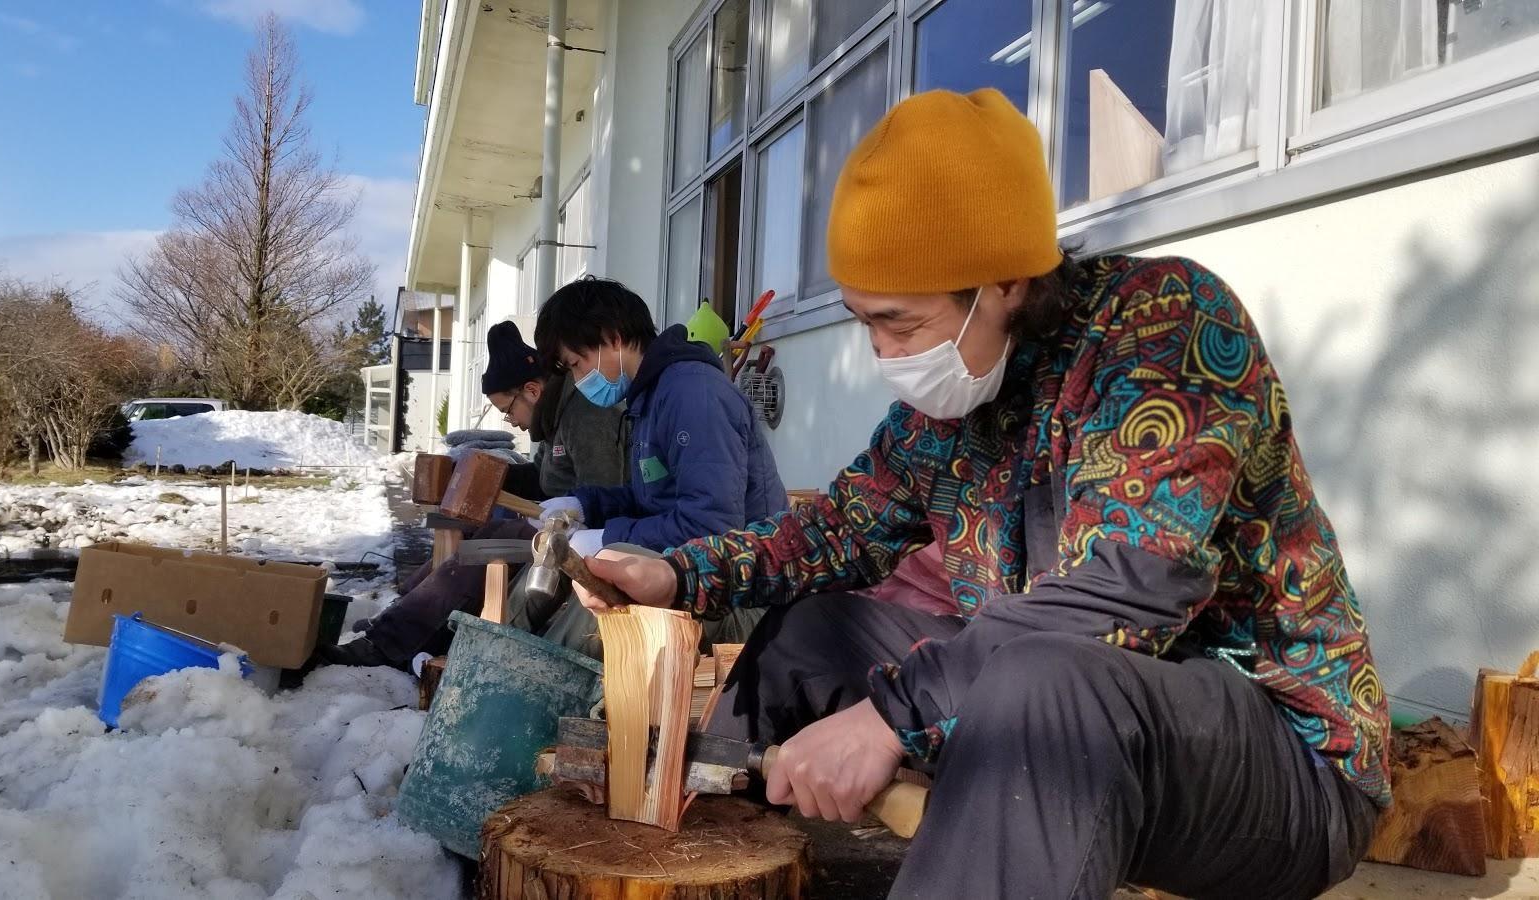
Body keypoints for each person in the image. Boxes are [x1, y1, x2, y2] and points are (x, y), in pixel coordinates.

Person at [573, 89, 1386, 899]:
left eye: (900, 323)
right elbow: (826, 534)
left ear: (1004, 282)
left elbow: (1126, 595)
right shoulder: (950, 405)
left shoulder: (1167, 328)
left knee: (1046, 685)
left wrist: (888, 716)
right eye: (864, 323)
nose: (883, 353)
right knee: (813, 634)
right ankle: (696, 867)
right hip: (1063, 714)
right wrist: (680, 574)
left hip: (1286, 765)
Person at [319, 321, 624, 668]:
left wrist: (554, 514)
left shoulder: (585, 417)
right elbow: (542, 479)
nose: (510, 422)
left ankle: (389, 642)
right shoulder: (554, 420)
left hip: (587, 538)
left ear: (532, 391)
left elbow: (606, 494)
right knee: (479, 533)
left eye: (508, 410)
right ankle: (400, 617)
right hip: (555, 523)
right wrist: (484, 476)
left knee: (494, 539)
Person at [523, 277, 786, 651]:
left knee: (615, 567)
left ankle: (538, 680)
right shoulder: (651, 397)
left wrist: (605, 539)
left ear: (612, 337)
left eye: (577, 365)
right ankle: (514, 656)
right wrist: (584, 506)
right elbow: (651, 498)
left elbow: (709, 527)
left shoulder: (694, 395)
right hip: (697, 578)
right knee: (561, 561)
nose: (580, 380)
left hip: (744, 597)